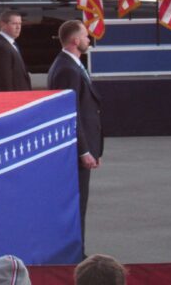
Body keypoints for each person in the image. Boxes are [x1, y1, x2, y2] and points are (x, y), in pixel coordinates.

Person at [47, 20, 103, 258]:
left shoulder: (72, 65)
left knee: (81, 205)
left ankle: (77, 254)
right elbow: (72, 114)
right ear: (75, 40)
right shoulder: (67, 69)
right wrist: (84, 150)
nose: (89, 40)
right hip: (77, 152)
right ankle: (75, 257)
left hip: (84, 147)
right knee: (77, 206)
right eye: (86, 36)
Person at [0, 11, 31, 91]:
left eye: (20, 24)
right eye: (14, 24)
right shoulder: (1, 48)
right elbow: (4, 82)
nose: (18, 27)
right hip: (13, 100)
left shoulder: (9, 44)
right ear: (3, 24)